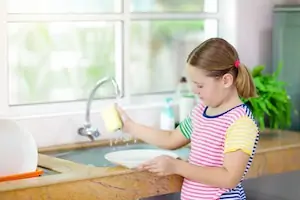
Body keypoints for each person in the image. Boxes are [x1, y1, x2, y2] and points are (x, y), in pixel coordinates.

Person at [117, 37, 259, 200]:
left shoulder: (240, 123)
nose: (194, 91)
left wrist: (177, 166)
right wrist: (130, 127)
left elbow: (229, 178)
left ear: (226, 80)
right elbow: (171, 139)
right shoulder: (200, 112)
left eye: (200, 85)